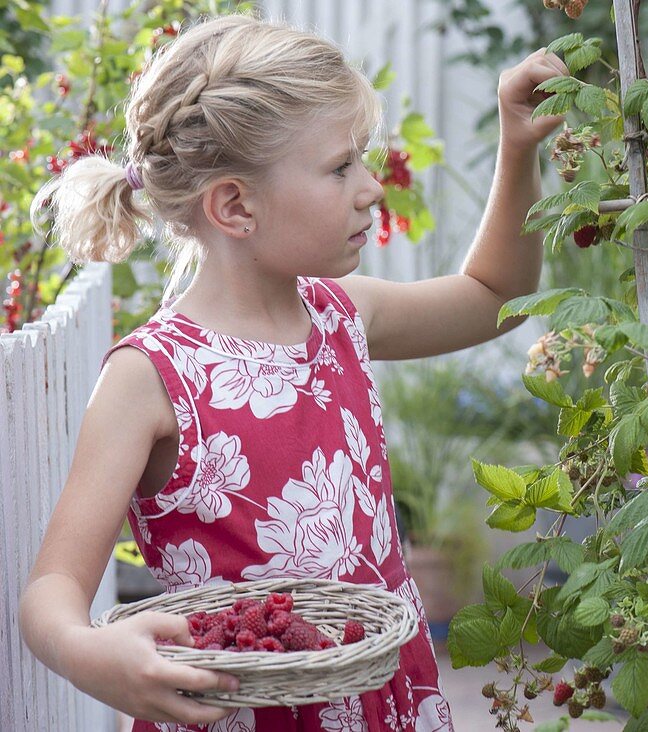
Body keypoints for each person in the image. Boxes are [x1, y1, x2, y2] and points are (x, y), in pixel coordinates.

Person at [19, 12, 568, 730]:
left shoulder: (343, 316)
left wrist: (518, 142)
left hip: (380, 700)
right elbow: (51, 589)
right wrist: (96, 656)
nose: (371, 189)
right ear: (236, 206)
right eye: (341, 167)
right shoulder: (152, 376)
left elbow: (496, 297)